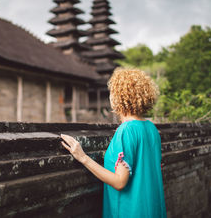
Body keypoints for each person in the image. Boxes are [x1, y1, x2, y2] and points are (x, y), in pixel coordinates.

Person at [61, 68, 166, 218]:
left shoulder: (126, 131)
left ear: (120, 96)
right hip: (152, 208)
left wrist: (83, 157)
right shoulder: (151, 128)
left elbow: (119, 182)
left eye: (111, 92)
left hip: (131, 211)